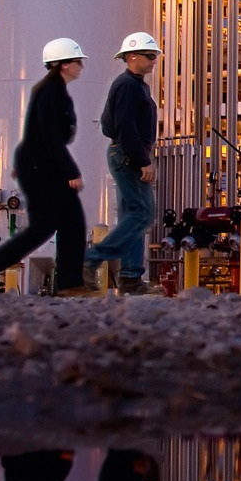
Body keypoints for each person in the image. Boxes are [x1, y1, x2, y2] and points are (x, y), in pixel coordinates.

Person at [0, 38, 94, 296]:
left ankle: (70, 284)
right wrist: (71, 171)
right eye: (77, 61)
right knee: (45, 227)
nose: (81, 66)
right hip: (43, 168)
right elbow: (49, 136)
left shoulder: (52, 90)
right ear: (63, 65)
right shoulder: (51, 93)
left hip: (41, 165)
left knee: (71, 223)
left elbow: (35, 132)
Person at [84, 32, 162, 294]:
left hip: (123, 153)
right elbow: (124, 126)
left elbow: (108, 124)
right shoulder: (128, 85)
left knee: (133, 216)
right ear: (132, 57)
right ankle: (92, 259)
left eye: (155, 56)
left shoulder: (134, 85)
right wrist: (142, 161)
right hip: (129, 155)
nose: (154, 61)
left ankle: (130, 278)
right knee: (142, 214)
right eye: (150, 56)